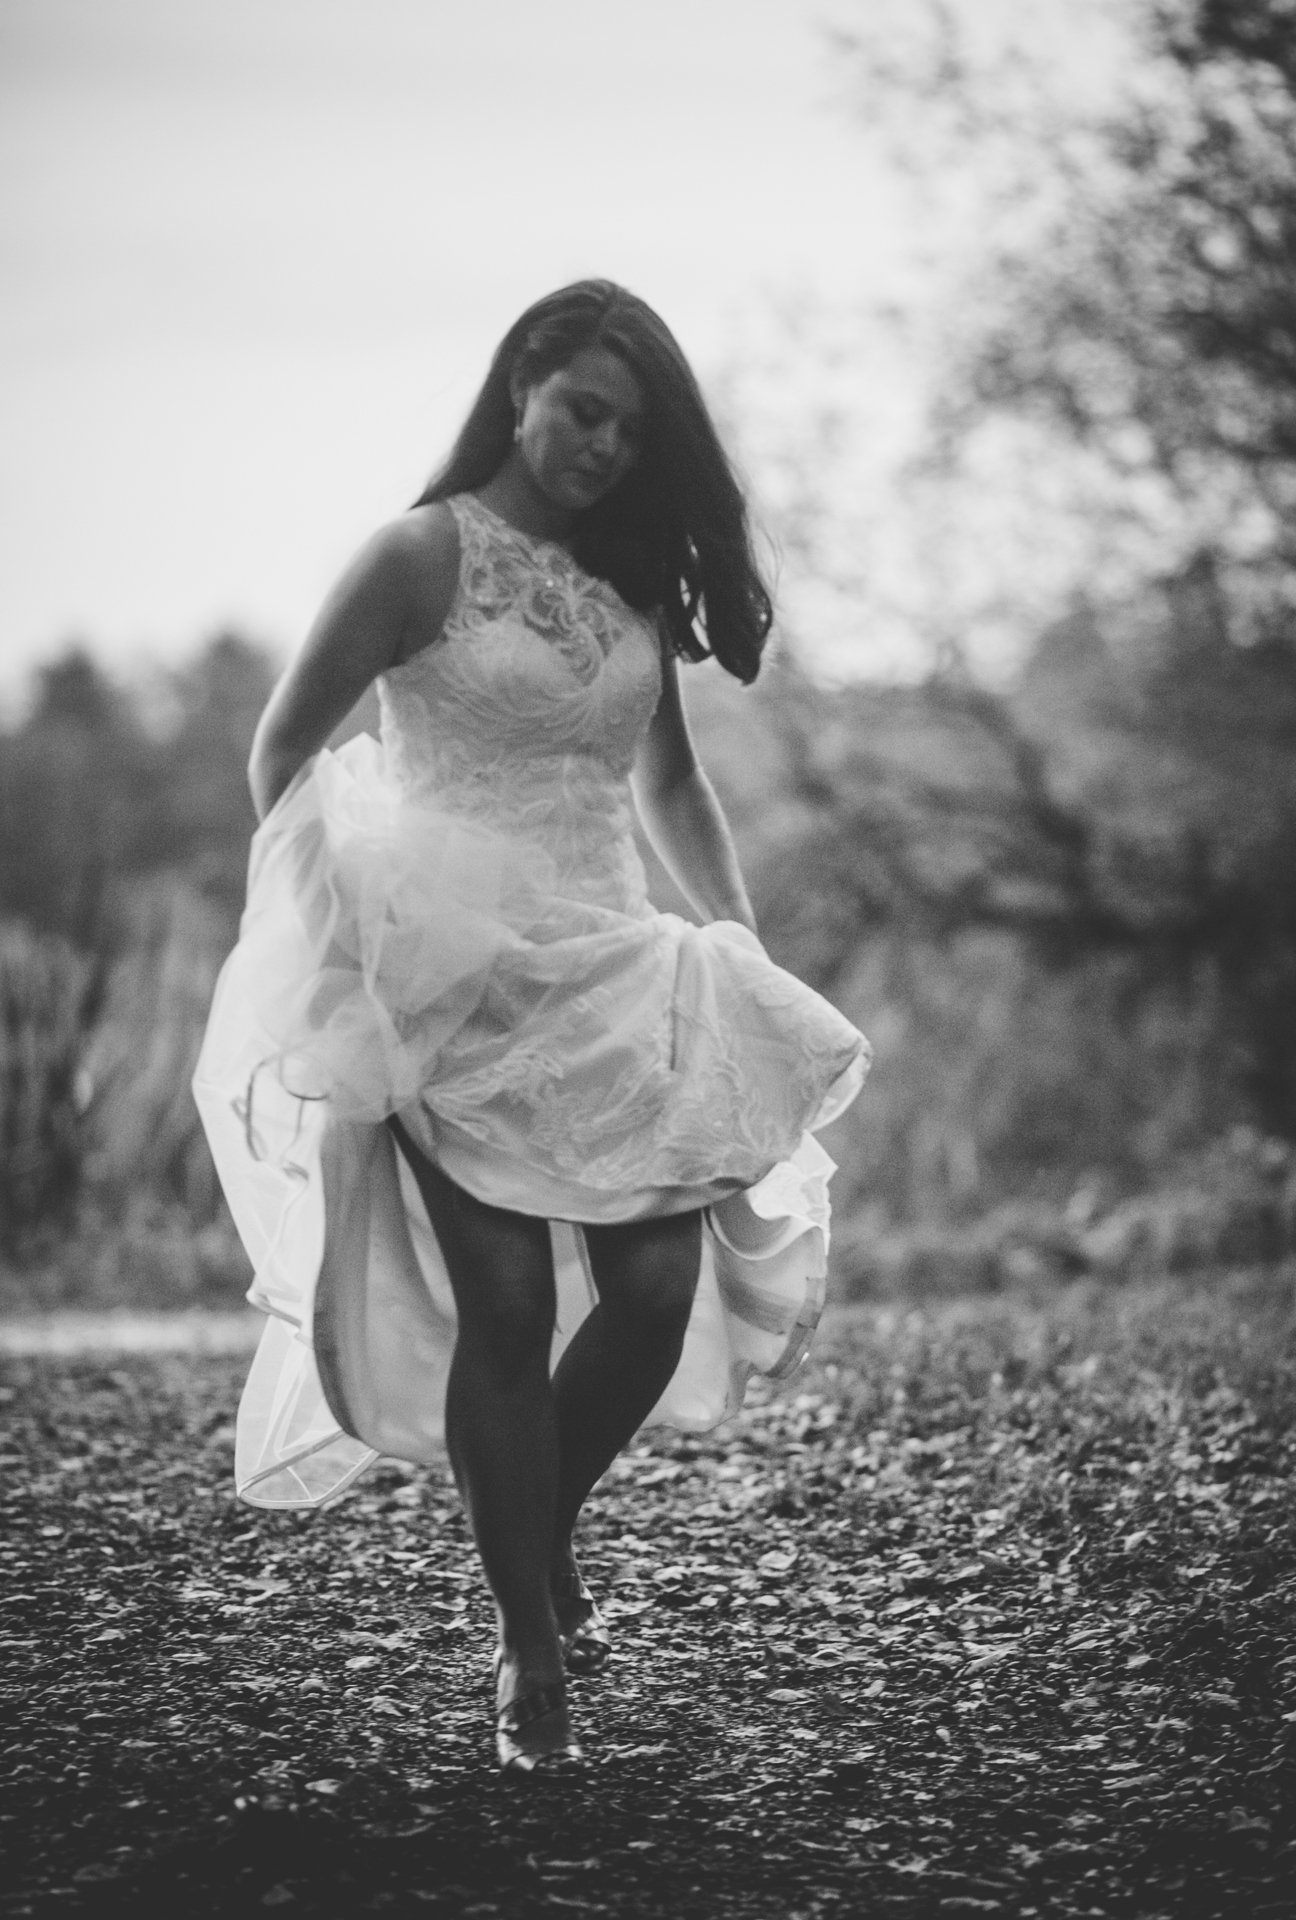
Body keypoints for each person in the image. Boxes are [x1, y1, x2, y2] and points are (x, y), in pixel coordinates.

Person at [194, 279, 870, 1772]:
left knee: (648, 1288)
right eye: (581, 411)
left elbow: (669, 782)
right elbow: (280, 746)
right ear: (520, 385)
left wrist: (734, 928)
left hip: (608, 953)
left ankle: (535, 1520)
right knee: (503, 1305)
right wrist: (335, 936)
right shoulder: (417, 554)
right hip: (441, 973)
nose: (603, 448)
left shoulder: (630, 578)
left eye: (630, 430)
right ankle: (527, 1651)